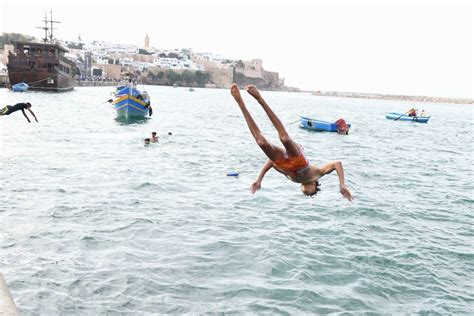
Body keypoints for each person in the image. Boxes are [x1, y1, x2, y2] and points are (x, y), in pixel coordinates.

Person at [230, 84, 353, 200]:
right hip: (299, 159)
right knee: (285, 138)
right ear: (315, 185)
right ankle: (259, 99)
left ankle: (240, 103)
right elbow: (337, 163)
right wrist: (342, 185)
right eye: (312, 190)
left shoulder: (291, 179)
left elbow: (271, 163)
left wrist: (259, 180)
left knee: (261, 142)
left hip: (284, 164)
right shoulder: (318, 174)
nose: (307, 189)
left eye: (305, 191)